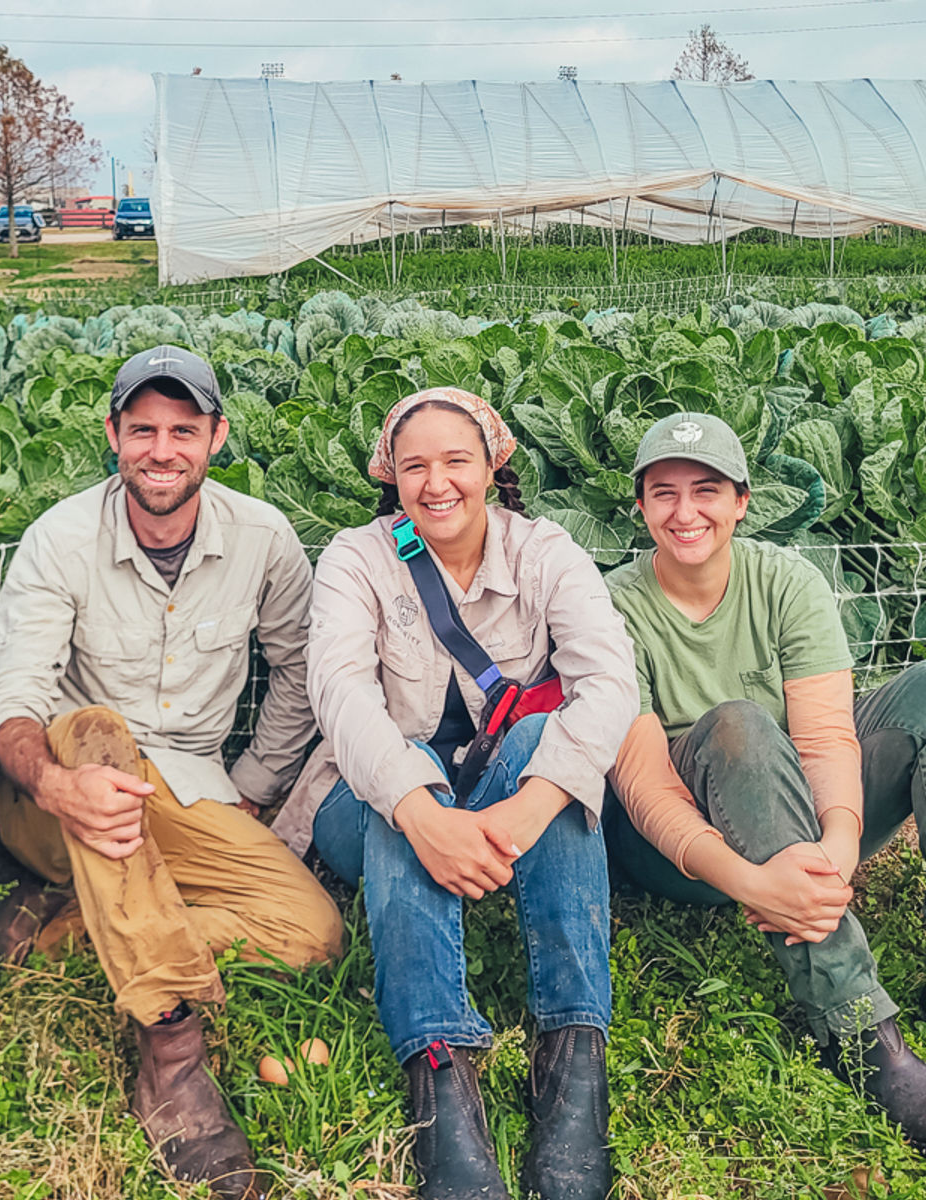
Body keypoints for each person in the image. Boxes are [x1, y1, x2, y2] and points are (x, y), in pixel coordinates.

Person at [603, 410, 926, 1148]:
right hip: (681, 852)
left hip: (795, 816)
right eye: (663, 493)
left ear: (741, 501)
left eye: (706, 490)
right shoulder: (614, 606)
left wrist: (839, 848)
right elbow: (641, 784)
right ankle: (858, 1026)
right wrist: (750, 881)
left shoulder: (788, 581)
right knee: (737, 722)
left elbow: (825, 736)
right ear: (639, 506)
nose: (685, 512)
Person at [0, 344, 343, 1200]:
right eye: (142, 430)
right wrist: (57, 784)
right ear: (113, 436)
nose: (161, 450)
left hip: (192, 792)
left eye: (182, 430)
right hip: (58, 804)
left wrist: (250, 782)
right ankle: (171, 1055)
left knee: (312, 933)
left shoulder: (263, 539)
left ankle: (63, 927)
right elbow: (13, 704)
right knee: (93, 729)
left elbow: (300, 670)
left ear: (216, 437)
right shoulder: (59, 540)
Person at [272, 388, 637, 1200]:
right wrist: (418, 809)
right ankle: (441, 1072)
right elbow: (340, 696)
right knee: (399, 758)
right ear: (391, 479)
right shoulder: (357, 559)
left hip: (509, 797)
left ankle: (573, 1053)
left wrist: (535, 802)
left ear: (492, 466)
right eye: (416, 467)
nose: (437, 484)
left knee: (553, 742)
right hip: (368, 809)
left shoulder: (546, 551)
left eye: (456, 462)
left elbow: (611, 681)